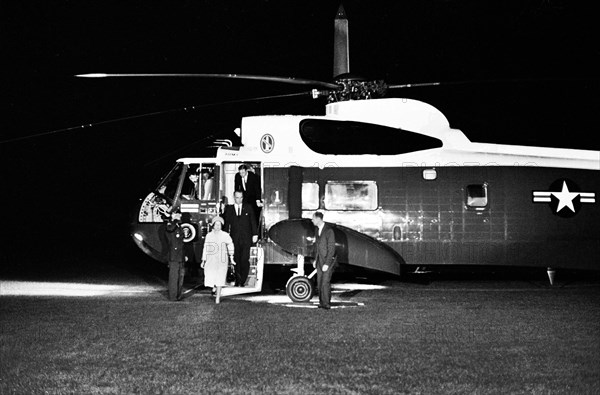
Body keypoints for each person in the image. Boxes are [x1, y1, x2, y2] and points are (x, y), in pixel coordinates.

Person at [223, 191, 258, 287]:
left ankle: (243, 280)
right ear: (234, 197)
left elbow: (253, 221)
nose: (239, 199)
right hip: (234, 239)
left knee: (244, 259)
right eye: (237, 197)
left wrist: (255, 234)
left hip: (246, 238)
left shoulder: (248, 207)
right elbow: (226, 224)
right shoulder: (229, 209)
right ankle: (238, 280)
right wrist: (225, 237)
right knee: (236, 259)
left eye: (241, 197)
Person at [201, 216, 235, 303]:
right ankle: (214, 287)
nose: (218, 226)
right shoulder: (209, 236)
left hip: (222, 259)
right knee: (211, 275)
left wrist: (231, 257)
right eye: (216, 225)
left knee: (220, 278)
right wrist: (203, 260)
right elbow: (206, 247)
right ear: (213, 225)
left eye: (219, 225)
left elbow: (230, 245)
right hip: (211, 259)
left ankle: (218, 297)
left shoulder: (225, 235)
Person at [312, 211, 337, 309]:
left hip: (327, 261)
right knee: (319, 282)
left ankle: (326, 303)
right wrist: (315, 260)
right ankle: (322, 302)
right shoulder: (317, 230)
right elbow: (317, 247)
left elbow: (331, 248)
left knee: (325, 282)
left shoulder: (329, 231)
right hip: (319, 260)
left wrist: (327, 263)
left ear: (318, 219)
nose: (312, 220)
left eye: (313, 218)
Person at [165, 210, 185, 301]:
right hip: (173, 255)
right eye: (177, 214)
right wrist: (173, 219)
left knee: (180, 276)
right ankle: (173, 296)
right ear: (173, 215)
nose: (180, 216)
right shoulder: (170, 224)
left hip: (180, 255)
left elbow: (181, 242)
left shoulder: (178, 226)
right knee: (173, 277)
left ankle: (178, 295)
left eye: (180, 214)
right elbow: (169, 229)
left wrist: (184, 255)